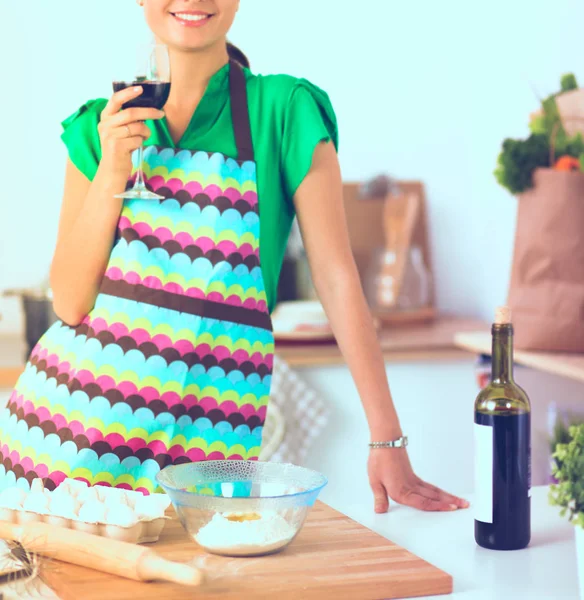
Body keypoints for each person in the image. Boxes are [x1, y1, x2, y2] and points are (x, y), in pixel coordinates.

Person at [0, 0, 468, 512]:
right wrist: (113, 169)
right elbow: (69, 301)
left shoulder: (284, 110)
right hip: (66, 448)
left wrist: (387, 440)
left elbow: (336, 278)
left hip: (200, 458)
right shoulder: (102, 127)